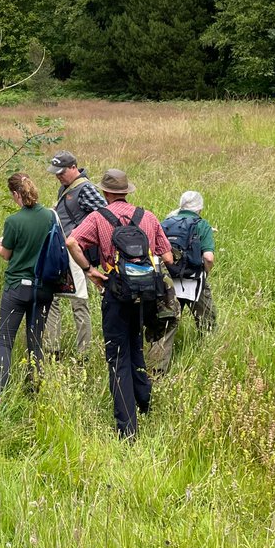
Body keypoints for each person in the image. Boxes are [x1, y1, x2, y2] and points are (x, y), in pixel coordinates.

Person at [65, 169, 172, 440]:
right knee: (136, 343)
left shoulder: (99, 217)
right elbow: (166, 254)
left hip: (115, 292)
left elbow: (71, 241)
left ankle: (127, 429)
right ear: (127, 191)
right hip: (146, 294)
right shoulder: (147, 216)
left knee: (117, 356)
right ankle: (144, 400)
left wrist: (90, 271)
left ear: (106, 193)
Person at [0, 173, 55, 401]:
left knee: (5, 341)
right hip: (44, 288)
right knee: (35, 341)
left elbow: (7, 254)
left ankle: (0, 394)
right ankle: (35, 391)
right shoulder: (50, 216)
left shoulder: (13, 221)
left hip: (17, 286)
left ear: (16, 194)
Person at [42, 150, 106, 360]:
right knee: (52, 298)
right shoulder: (65, 187)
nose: (58, 176)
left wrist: (83, 233)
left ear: (73, 168)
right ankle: (53, 350)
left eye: (61, 172)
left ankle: (83, 354)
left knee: (79, 302)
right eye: (55, 173)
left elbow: (105, 214)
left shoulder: (86, 188)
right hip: (62, 251)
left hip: (78, 252)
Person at [145, 191, 217, 375]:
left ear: (181, 205)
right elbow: (208, 257)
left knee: (167, 323)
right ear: (200, 208)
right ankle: (210, 359)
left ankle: (156, 372)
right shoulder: (202, 225)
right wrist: (205, 274)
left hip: (166, 281)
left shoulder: (165, 223)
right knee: (207, 319)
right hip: (193, 280)